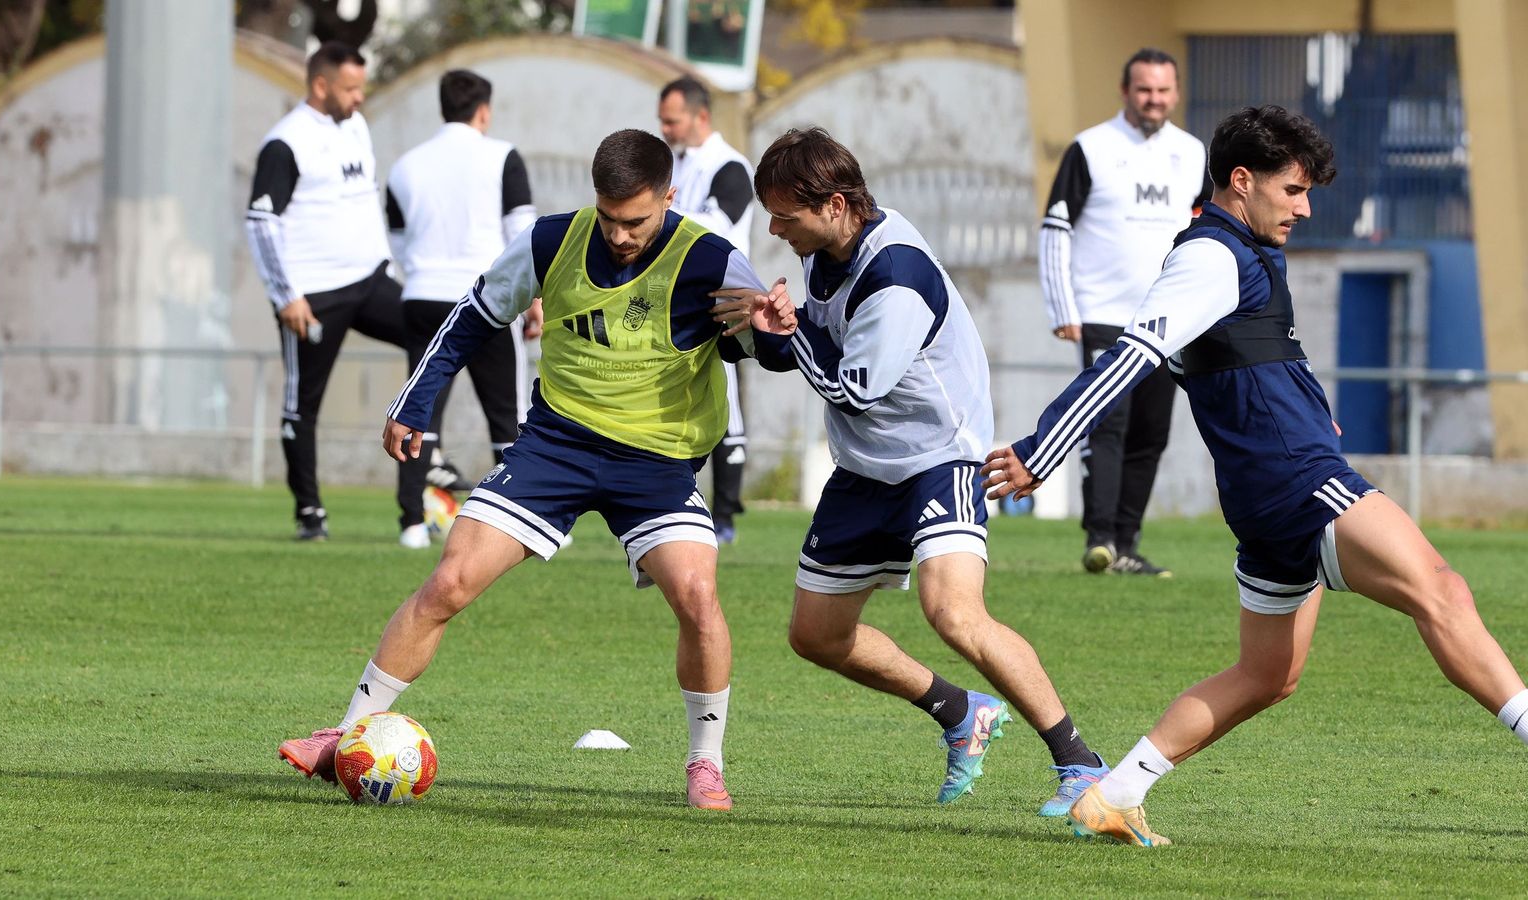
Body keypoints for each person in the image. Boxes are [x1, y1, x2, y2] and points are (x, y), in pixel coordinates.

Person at [984, 106, 1528, 846]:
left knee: (1268, 675)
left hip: (1265, 492)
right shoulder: (1211, 257)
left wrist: (1312, 408)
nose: (1304, 209)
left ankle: (1114, 793)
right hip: (1297, 481)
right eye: (1293, 190)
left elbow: (1251, 361)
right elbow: (1133, 357)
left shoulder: (1244, 250)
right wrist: (1042, 448)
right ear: (1241, 181)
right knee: (1442, 591)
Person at [278, 129, 789, 810]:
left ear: (669, 198)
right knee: (449, 582)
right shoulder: (552, 241)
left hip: (658, 462)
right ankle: (344, 734)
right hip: (556, 448)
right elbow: (472, 317)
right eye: (608, 218)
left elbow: (769, 352)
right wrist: (416, 402)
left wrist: (774, 331)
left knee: (698, 597)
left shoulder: (713, 259)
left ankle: (706, 763)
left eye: (636, 221)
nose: (620, 235)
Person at [744, 127, 1108, 814]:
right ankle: (961, 712)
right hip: (866, 465)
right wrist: (771, 335)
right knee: (815, 635)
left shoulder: (896, 275)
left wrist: (790, 333)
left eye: (785, 215)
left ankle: (1081, 764)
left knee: (954, 613)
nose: (774, 228)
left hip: (941, 457)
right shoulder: (826, 251)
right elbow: (809, 351)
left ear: (835, 204)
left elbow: (853, 387)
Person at [1037, 48, 1210, 576]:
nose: (1153, 99)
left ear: (1175, 93)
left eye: (1162, 90)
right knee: (1107, 426)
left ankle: (1128, 545)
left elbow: (1206, 231)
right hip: (1103, 315)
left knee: (1151, 433)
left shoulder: (1193, 153)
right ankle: (1101, 540)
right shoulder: (1091, 148)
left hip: (1167, 320)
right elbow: (1055, 228)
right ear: (1125, 91)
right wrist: (1063, 306)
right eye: (1144, 89)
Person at [245, 41, 409, 541]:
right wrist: (286, 296)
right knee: (304, 403)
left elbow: (364, 205)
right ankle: (310, 513)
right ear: (320, 85)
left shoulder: (356, 127)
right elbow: (261, 222)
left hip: (370, 280)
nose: (360, 97)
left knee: (436, 335)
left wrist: (389, 265)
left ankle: (432, 459)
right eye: (350, 88)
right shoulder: (285, 143)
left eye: (362, 87)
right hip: (314, 297)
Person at [385, 69, 543, 549]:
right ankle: (523, 515)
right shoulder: (502, 156)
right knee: (507, 413)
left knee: (420, 408)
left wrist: (421, 271)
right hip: (487, 299)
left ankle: (411, 523)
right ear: (483, 111)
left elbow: (396, 239)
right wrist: (534, 299)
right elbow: (523, 232)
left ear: (442, 107)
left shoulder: (405, 165)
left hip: (422, 295)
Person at [659, 76, 755, 544]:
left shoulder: (730, 166)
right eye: (662, 120)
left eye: (672, 120)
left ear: (701, 116)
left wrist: (656, 216)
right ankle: (672, 503)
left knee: (726, 400)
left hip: (723, 300)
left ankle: (726, 514)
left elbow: (716, 226)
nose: (665, 129)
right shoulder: (672, 163)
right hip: (678, 298)